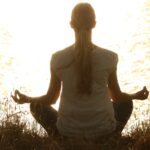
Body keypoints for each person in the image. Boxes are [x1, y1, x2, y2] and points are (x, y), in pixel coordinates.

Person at [11, 3, 149, 139]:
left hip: (68, 132)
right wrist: (135, 96)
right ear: (94, 23)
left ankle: (60, 139)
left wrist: (27, 99)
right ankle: (109, 137)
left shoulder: (58, 58)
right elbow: (117, 97)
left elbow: (51, 99)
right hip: (103, 131)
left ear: (71, 24)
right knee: (126, 102)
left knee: (36, 106)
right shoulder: (109, 57)